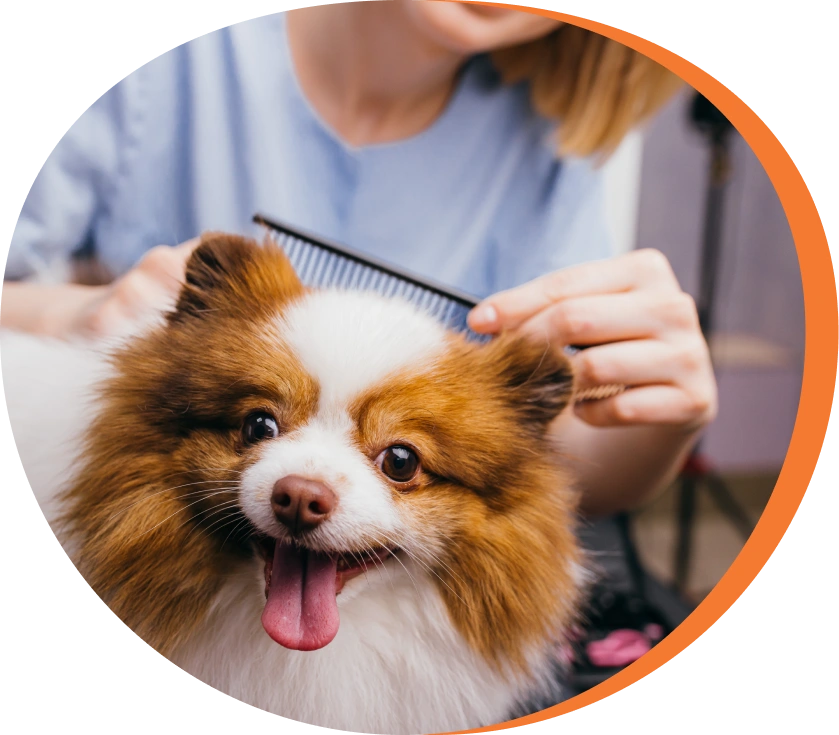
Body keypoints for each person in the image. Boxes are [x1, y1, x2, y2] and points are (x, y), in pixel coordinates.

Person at [3, 1, 715, 635]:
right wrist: (79, 311)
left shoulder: (550, 151)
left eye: (399, 461)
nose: (306, 486)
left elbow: (551, 464)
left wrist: (665, 420)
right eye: (260, 425)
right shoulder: (164, 73)